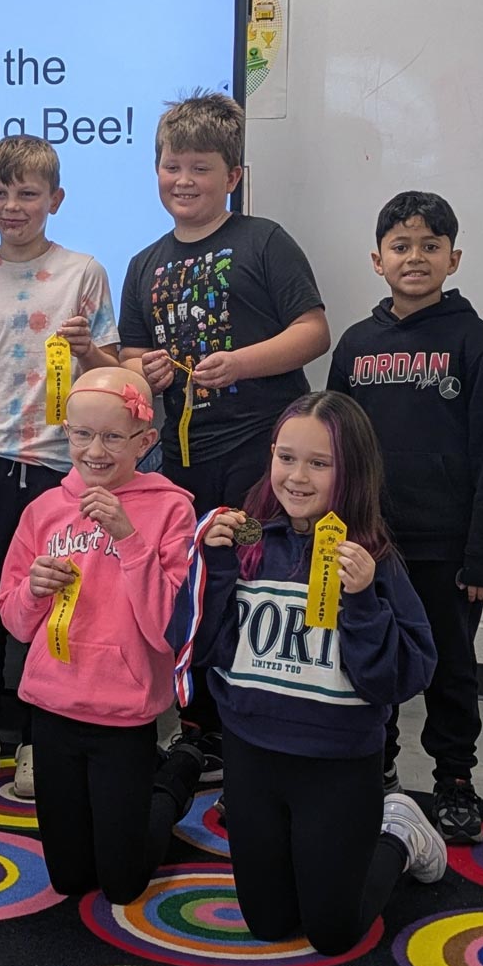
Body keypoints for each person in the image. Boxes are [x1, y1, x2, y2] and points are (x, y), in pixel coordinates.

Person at [169, 392, 444, 956]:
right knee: (267, 924)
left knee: (333, 934)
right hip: (252, 758)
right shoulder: (246, 541)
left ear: (353, 472)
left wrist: (364, 601)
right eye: (285, 457)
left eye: (319, 463)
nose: (297, 477)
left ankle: (399, 832)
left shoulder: (372, 557)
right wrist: (213, 569)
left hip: (338, 767)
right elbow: (196, 648)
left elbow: (403, 678)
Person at [120, 90, 330, 779]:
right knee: (194, 587)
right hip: (180, 460)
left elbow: (312, 331)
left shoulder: (264, 240)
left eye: (201, 168)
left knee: (256, 582)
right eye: (171, 165)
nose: (183, 180)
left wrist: (238, 362)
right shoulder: (144, 261)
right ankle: (202, 727)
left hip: (257, 452)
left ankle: (260, 720)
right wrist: (143, 369)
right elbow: (129, 353)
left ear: (233, 175)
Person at [327, 190, 483, 843]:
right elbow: (334, 448)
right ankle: (373, 763)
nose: (415, 256)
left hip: (446, 549)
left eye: (430, 246)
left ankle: (454, 779)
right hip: (371, 545)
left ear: (453, 258)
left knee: (449, 666)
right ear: (377, 260)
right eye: (401, 246)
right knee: (367, 656)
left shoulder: (475, 341)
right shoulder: (355, 344)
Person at [0, 133, 119, 796]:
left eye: (27, 193)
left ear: (55, 199)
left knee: (61, 605)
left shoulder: (85, 272)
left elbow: (115, 373)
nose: (12, 205)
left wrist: (90, 351)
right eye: (0, 191)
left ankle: (45, 739)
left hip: (62, 473)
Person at [0, 366, 201, 902]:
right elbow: (13, 621)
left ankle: (176, 777)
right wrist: (32, 591)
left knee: (121, 886)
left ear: (145, 441)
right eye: (82, 434)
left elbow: (169, 631)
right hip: (53, 709)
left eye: (113, 436)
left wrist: (129, 538)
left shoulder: (172, 508)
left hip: (125, 716)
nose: (95, 450)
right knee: (68, 879)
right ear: (66, 434)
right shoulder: (43, 510)